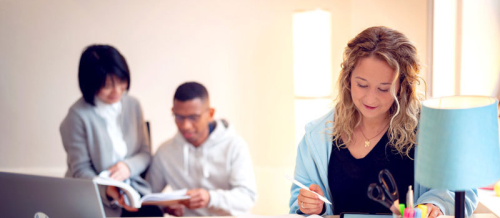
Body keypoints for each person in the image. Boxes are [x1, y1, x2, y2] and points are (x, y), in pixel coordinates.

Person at [289, 26, 478, 216]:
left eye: (383, 88)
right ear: (348, 79)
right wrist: (312, 207)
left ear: (402, 86)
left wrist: (437, 205)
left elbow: (463, 188)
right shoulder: (316, 137)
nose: (370, 99)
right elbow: (298, 205)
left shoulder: (431, 131)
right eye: (362, 85)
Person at [60, 45, 162, 217]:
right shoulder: (76, 116)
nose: (117, 91)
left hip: (133, 191)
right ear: (90, 85)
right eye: (107, 85)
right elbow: (80, 170)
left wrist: (127, 167)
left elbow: (145, 153)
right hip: (96, 195)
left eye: (122, 82)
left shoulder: (133, 104)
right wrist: (108, 189)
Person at [147, 82, 257, 216]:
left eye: (194, 117)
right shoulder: (165, 152)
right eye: (179, 117)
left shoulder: (235, 146)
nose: (186, 125)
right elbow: (149, 195)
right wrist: (166, 207)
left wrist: (211, 198)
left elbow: (247, 198)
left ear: (210, 114)